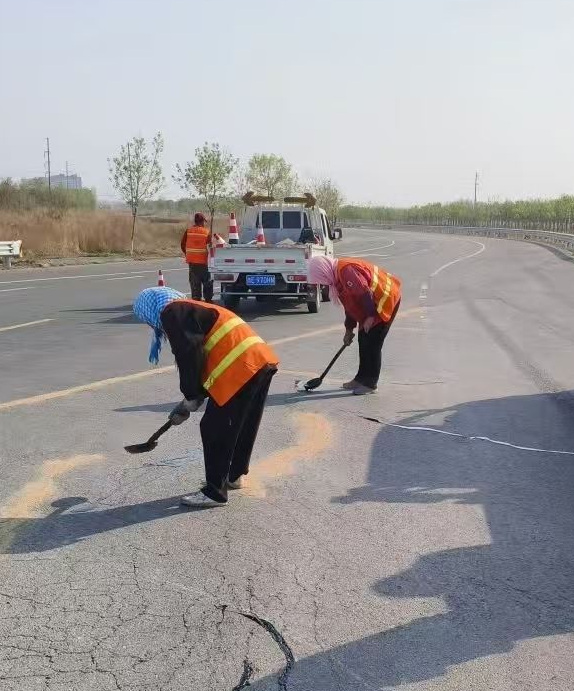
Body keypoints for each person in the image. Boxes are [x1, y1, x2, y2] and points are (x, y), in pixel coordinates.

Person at [132, 285, 278, 508]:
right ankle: (233, 475)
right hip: (259, 360)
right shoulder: (191, 307)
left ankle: (214, 492)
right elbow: (204, 353)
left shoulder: (171, 312)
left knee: (214, 427)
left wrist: (191, 396)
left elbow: (189, 354)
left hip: (240, 365)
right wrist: (193, 397)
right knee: (243, 422)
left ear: (149, 309)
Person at [306, 255, 401, 394]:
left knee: (373, 343)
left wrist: (369, 317)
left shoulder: (345, 270)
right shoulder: (337, 279)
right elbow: (350, 306)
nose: (323, 283)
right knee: (363, 340)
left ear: (323, 270)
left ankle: (370, 383)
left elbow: (363, 293)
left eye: (321, 279)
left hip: (385, 299)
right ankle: (360, 379)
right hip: (371, 303)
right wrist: (349, 329)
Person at [182, 213, 221, 302]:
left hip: (192, 263)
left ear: (195, 221)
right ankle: (208, 300)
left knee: (195, 283)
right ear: (202, 221)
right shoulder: (206, 232)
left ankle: (196, 301)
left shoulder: (188, 231)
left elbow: (183, 244)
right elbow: (211, 247)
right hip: (203, 262)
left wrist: (188, 254)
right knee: (207, 281)